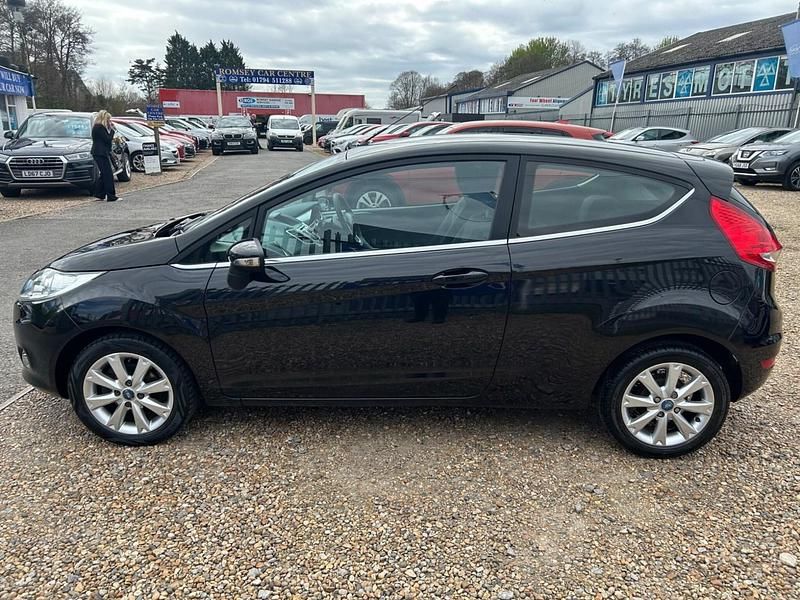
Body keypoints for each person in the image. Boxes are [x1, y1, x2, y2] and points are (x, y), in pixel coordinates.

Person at [91, 110, 120, 202]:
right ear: (104, 119)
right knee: (108, 174)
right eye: (108, 120)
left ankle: (99, 193)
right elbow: (107, 139)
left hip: (99, 152)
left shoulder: (96, 127)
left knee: (104, 174)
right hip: (100, 153)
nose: (109, 122)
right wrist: (112, 131)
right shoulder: (99, 127)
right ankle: (111, 196)